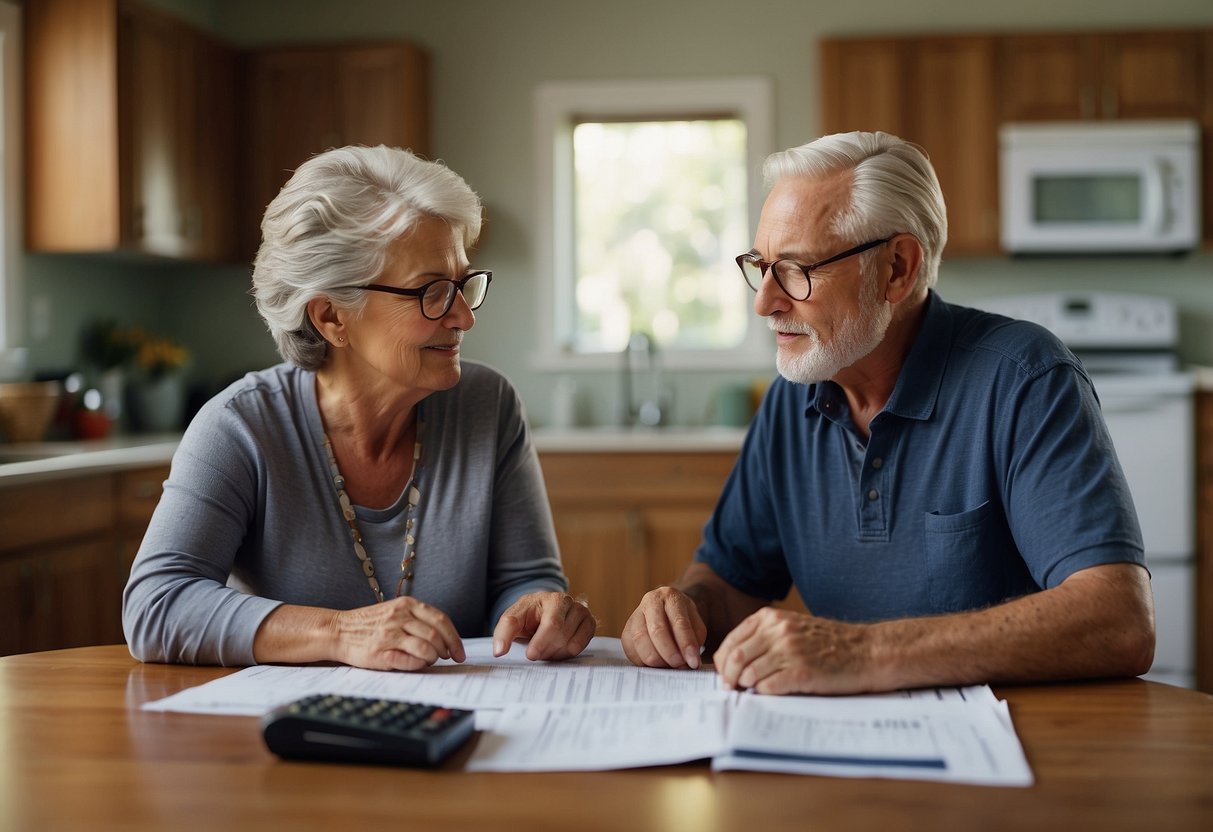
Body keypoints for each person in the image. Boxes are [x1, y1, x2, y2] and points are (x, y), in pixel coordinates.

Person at [620, 131, 1154, 694]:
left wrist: (862, 651)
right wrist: (681, 610)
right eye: (761, 265)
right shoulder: (790, 397)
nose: (765, 301)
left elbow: (1118, 621)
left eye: (797, 270)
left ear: (897, 268)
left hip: (1014, 749)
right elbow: (730, 581)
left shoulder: (1024, 378)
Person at [123, 145, 595, 670]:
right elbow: (157, 605)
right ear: (331, 317)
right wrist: (338, 632)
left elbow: (524, 580)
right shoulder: (241, 428)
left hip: (457, 728)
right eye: (432, 291)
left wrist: (538, 608)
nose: (463, 316)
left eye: (462, 284)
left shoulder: (488, 406)